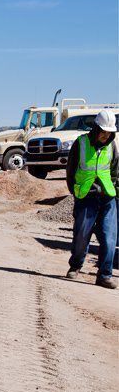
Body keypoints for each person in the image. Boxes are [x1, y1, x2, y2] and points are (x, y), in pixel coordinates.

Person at [65, 110, 117, 289]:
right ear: (95, 128)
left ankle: (104, 275)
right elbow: (70, 171)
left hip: (108, 198)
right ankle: (76, 265)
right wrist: (75, 191)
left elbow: (115, 171)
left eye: (109, 133)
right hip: (86, 197)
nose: (106, 135)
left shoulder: (112, 146)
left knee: (109, 238)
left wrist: (115, 191)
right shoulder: (81, 144)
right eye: (103, 131)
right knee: (81, 235)